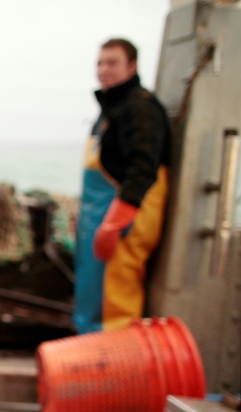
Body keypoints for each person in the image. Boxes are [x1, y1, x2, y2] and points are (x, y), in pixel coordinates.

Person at [73, 38, 170, 333]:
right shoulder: (111, 108)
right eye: (100, 62)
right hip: (96, 219)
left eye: (112, 62)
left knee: (114, 303)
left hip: (120, 223)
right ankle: (88, 365)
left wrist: (113, 225)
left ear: (132, 66)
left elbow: (143, 169)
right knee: (92, 299)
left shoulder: (140, 108)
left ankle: (115, 372)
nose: (103, 69)